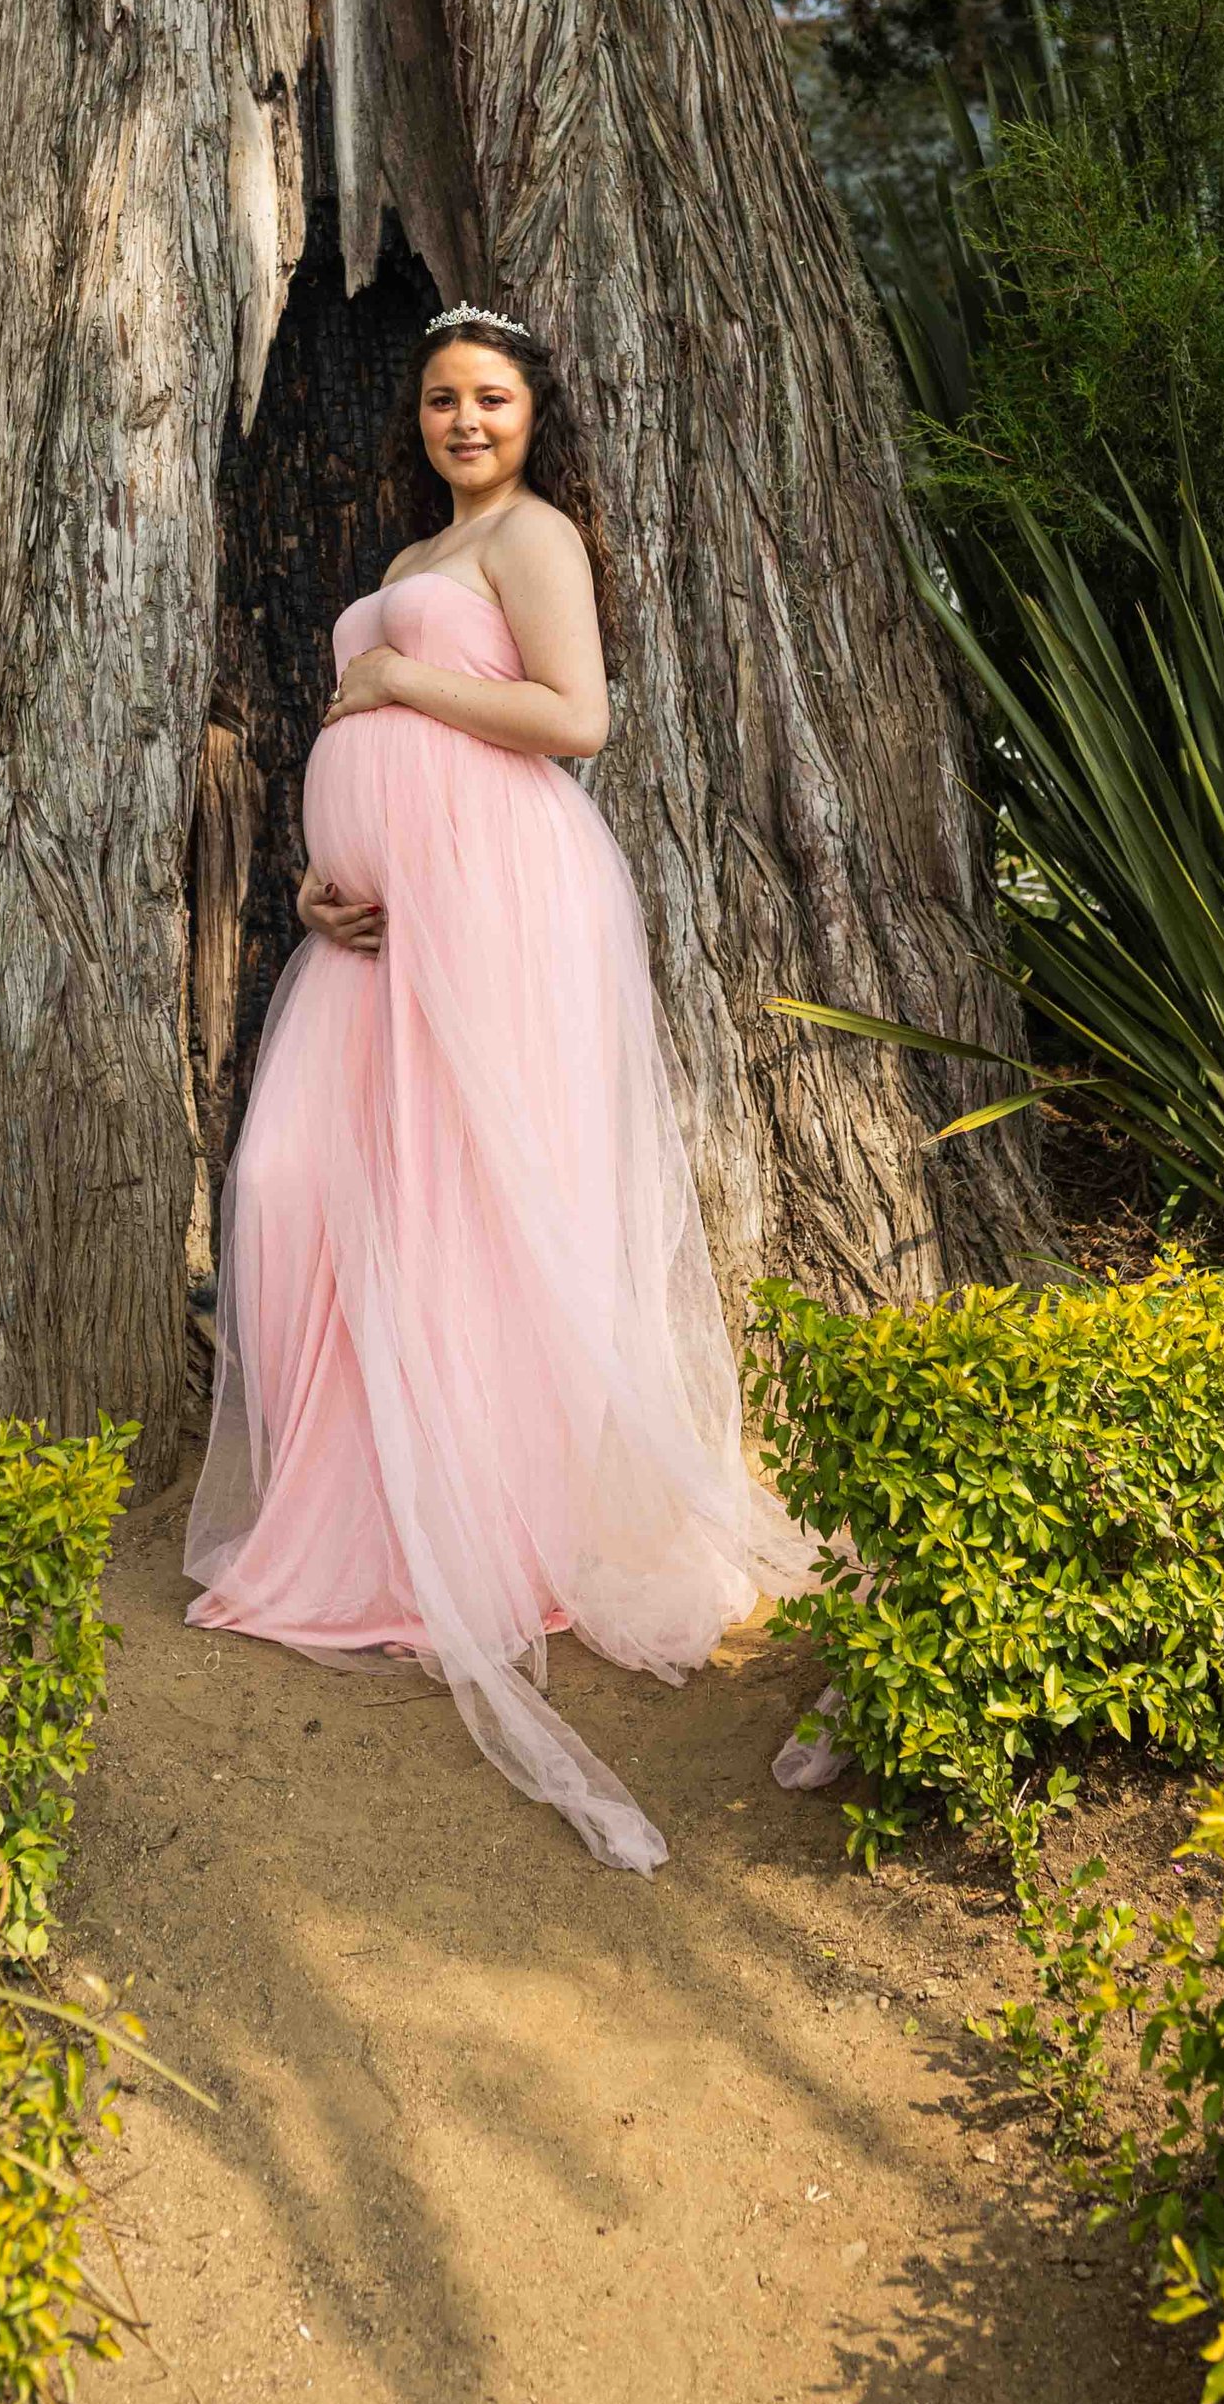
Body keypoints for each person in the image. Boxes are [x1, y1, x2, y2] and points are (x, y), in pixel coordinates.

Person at [184, 299, 812, 1870]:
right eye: (447, 400)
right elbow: (368, 728)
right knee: (291, 1186)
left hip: (502, 910)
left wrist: (401, 694)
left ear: (534, 418)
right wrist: (331, 887)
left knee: (464, 1203)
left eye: (495, 399)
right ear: (422, 418)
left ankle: (482, 1529)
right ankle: (361, 1507)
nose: (468, 421)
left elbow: (574, 720)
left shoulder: (533, 541)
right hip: (376, 934)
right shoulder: (406, 567)